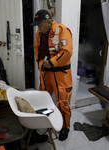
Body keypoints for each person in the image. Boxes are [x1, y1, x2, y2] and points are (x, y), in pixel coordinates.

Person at [31, 9, 73, 141]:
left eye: (39, 24)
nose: (38, 27)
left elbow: (67, 52)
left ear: (48, 21)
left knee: (63, 103)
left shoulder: (62, 30)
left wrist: (52, 62)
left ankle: (65, 127)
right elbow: (36, 48)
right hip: (45, 74)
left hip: (61, 75)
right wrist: (40, 63)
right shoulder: (39, 33)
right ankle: (45, 123)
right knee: (42, 100)